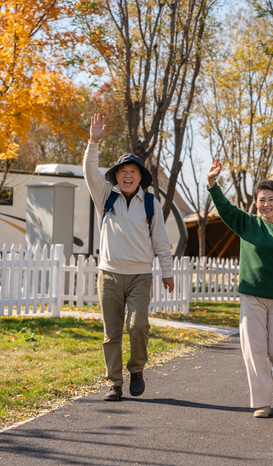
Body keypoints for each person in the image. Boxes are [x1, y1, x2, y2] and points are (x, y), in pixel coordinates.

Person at [206, 158, 273, 418]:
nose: (266, 204)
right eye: (261, 199)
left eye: (271, 199)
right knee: (253, 350)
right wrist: (212, 184)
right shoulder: (248, 223)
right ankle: (262, 401)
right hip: (252, 297)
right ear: (256, 202)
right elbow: (225, 209)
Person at [83, 113, 175, 402]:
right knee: (111, 333)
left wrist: (167, 271)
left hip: (139, 276)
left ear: (139, 177)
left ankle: (136, 370)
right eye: (123, 171)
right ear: (117, 175)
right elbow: (89, 171)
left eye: (133, 172)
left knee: (138, 327)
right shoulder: (105, 197)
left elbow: (161, 240)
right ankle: (115, 383)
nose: (127, 175)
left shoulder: (150, 204)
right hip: (108, 275)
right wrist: (93, 143)